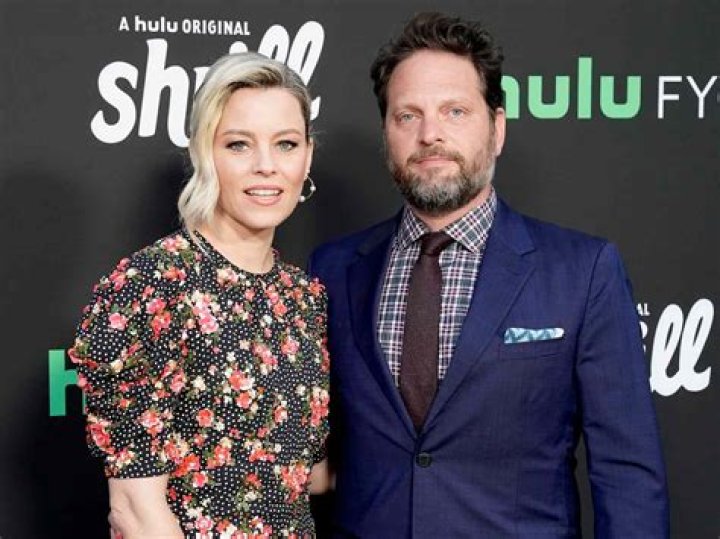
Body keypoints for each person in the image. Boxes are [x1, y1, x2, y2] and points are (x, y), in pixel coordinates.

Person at [308, 12, 669, 538]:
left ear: (496, 129)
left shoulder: (583, 271)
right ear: (387, 133)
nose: (430, 134)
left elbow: (627, 473)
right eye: (407, 116)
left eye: (454, 111)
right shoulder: (332, 269)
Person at [70, 52, 331, 538]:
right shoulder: (150, 286)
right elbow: (135, 512)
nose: (266, 166)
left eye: (286, 144)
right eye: (238, 144)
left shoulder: (304, 297)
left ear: (308, 156)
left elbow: (309, 475)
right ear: (202, 152)